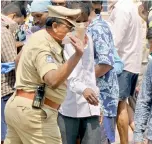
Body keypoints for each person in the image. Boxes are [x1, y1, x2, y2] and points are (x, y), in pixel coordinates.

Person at [4, 5, 98, 144]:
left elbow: (18, 60)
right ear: (55, 26)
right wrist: (77, 55)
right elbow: (53, 80)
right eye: (69, 27)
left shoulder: (39, 36)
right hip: (35, 113)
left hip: (20, 106)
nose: (72, 31)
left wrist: (27, 85)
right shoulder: (44, 45)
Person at [58, 1, 100, 144]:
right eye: (77, 21)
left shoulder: (90, 39)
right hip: (70, 106)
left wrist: (93, 92)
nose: (81, 25)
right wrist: (84, 89)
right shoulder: (64, 42)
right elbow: (68, 75)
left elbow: (89, 72)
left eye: (84, 21)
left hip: (91, 105)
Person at [108, 0, 144, 143]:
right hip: (131, 63)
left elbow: (115, 41)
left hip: (122, 64)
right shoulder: (130, 6)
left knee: (120, 106)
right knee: (124, 104)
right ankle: (141, 137)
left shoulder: (122, 9)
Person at [88, 1, 119, 143]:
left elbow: (105, 64)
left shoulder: (98, 29)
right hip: (93, 101)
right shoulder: (90, 27)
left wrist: (83, 78)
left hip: (102, 101)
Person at [1, 3, 26, 144]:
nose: (18, 27)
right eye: (19, 23)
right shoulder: (4, 32)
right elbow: (12, 62)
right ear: (13, 16)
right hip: (5, 89)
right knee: (8, 135)